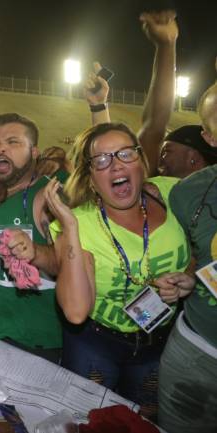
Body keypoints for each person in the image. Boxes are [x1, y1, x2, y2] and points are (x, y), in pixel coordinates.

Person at [46, 122, 193, 419]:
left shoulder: (172, 194)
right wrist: (71, 228)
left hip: (158, 339)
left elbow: (199, 245)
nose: (115, 166)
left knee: (145, 422)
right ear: (90, 178)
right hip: (95, 345)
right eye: (101, 160)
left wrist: (187, 279)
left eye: (125, 154)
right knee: (88, 422)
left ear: (141, 162)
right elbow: (75, 311)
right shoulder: (74, 223)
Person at [0, 113, 63, 363]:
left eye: (13, 142)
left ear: (35, 151)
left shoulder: (50, 196)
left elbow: (69, 264)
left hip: (33, 342)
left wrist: (36, 253)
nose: (1, 148)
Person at [157, 82, 217, 433]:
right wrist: (191, 278)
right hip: (195, 357)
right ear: (210, 138)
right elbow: (196, 254)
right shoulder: (188, 194)